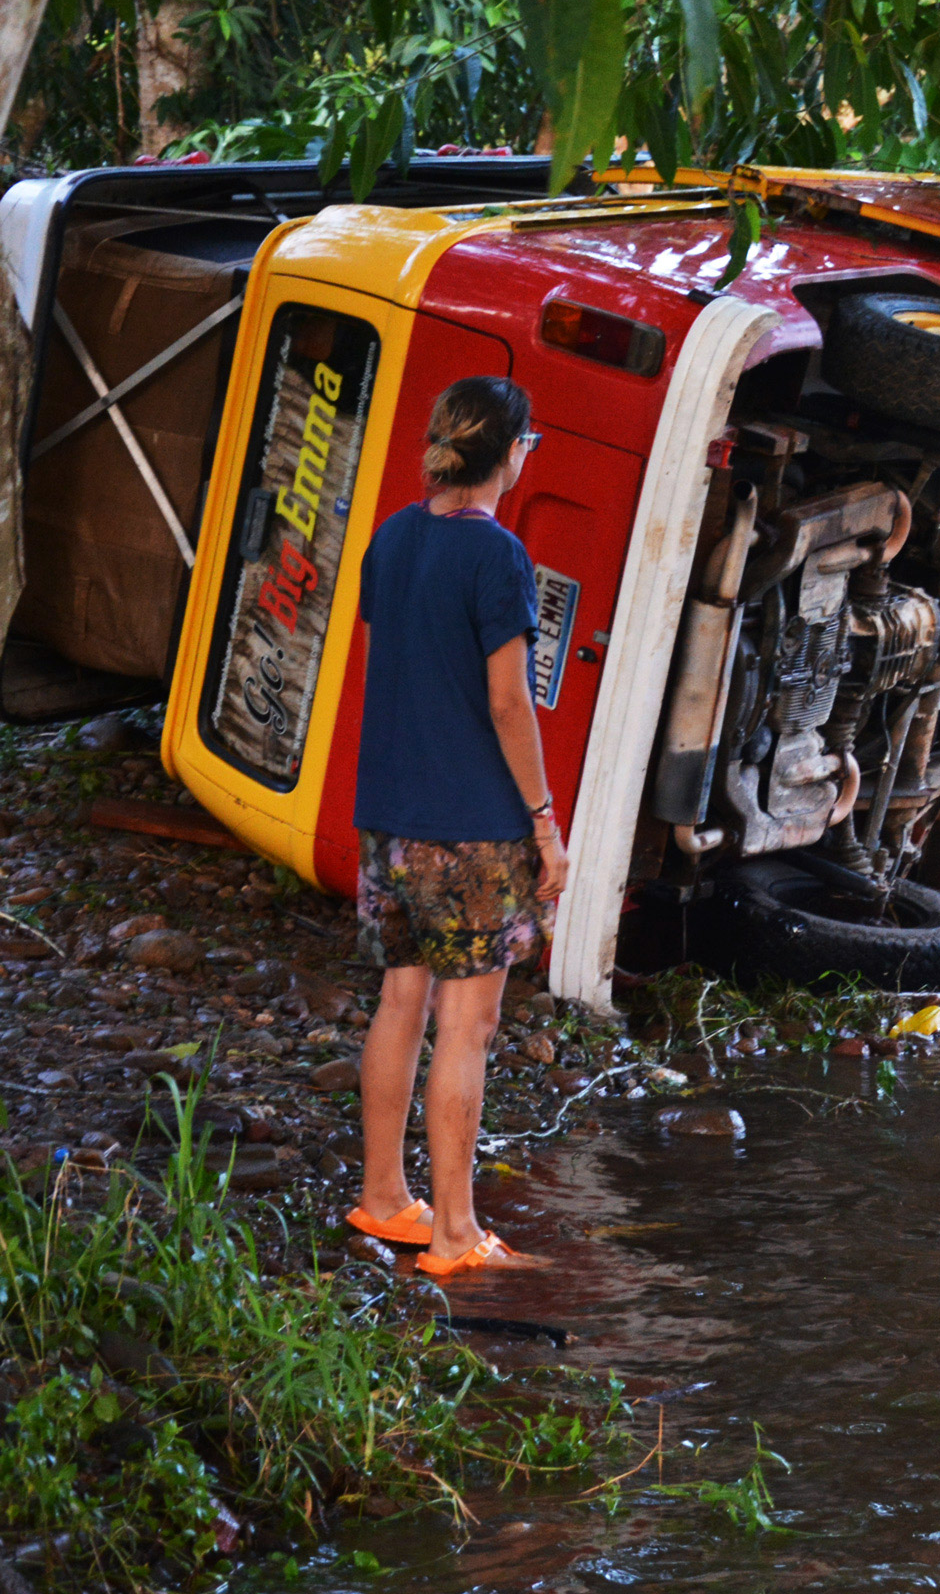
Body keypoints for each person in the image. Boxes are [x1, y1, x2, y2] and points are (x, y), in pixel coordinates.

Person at [343, 376, 565, 1278]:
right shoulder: (498, 556)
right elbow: (509, 704)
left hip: (387, 815)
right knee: (467, 1024)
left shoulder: (391, 538)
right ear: (511, 454)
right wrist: (544, 824)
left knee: (401, 999)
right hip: (472, 826)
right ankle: (456, 1234)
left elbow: (391, 668)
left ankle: (385, 1197)